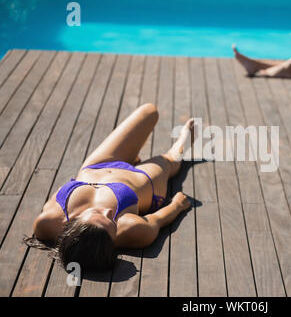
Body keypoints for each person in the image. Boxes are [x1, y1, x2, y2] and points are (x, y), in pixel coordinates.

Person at [25, 103, 193, 270]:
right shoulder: (131, 229)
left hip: (98, 165)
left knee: (149, 111)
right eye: (112, 222)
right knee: (171, 160)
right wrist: (178, 205)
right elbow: (156, 220)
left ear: (73, 227)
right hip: (143, 180)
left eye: (99, 214)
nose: (108, 212)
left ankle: (130, 155)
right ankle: (184, 141)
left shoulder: (46, 223)